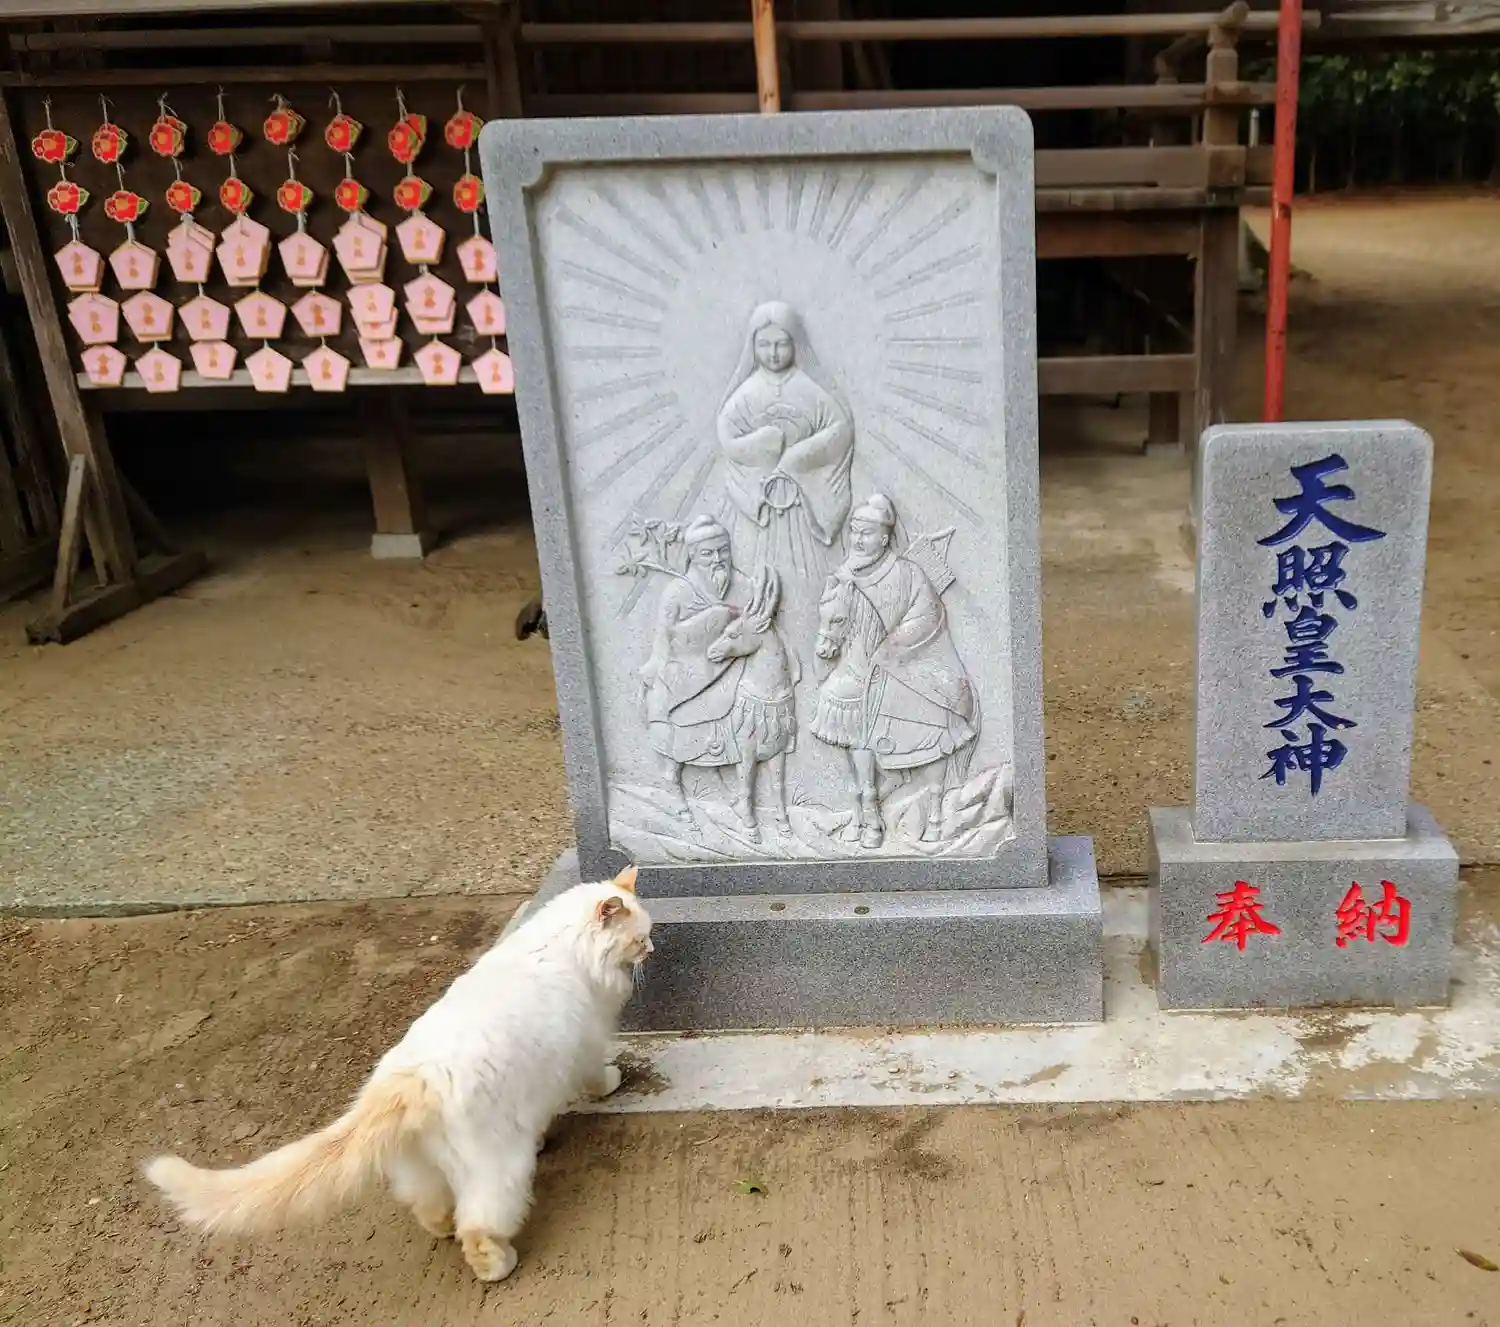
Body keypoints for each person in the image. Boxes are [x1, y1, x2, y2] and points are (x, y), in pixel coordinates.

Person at [812, 494, 979, 847]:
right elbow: (832, 619)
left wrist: (891, 649)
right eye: (855, 531)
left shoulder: (907, 573)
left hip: (905, 664)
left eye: (867, 532)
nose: (858, 539)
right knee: (844, 706)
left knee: (933, 715)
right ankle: (867, 810)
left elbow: (928, 616)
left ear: (885, 537)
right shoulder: (843, 577)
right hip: (860, 668)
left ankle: (934, 811)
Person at [715, 301, 855, 583]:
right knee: (760, 568)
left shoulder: (808, 388)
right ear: (752, 346)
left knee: (810, 571)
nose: (773, 354)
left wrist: (798, 458)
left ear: (796, 343)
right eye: (764, 345)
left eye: (781, 344)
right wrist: (761, 446)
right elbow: (728, 436)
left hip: (803, 505)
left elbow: (840, 429)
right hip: (764, 503)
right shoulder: (747, 393)